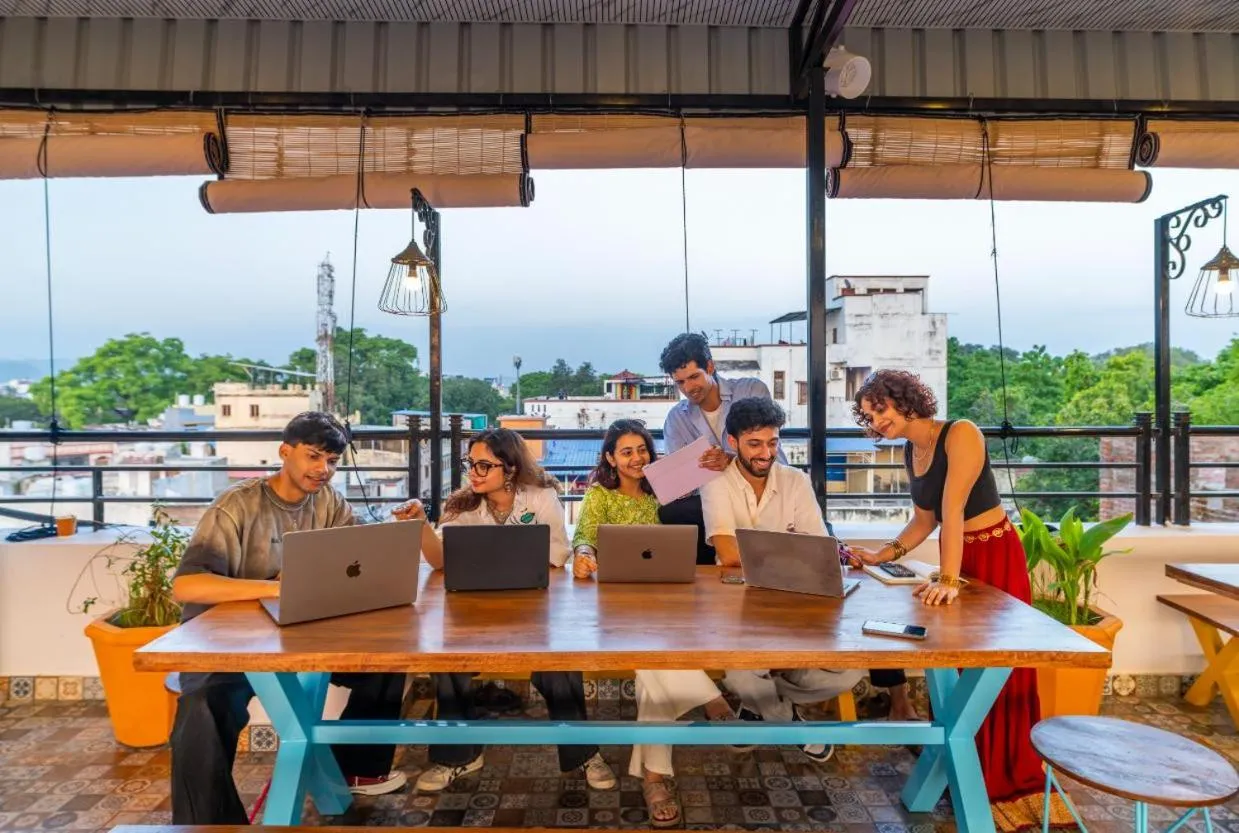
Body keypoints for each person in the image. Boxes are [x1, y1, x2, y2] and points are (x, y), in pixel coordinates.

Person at [169, 412, 407, 825]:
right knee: (203, 705)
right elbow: (187, 586)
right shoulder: (236, 505)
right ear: (284, 452)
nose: (323, 470)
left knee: (389, 660)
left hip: (301, 634)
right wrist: (277, 587)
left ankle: (355, 769)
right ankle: (209, 822)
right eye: (314, 457)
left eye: (332, 461)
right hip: (227, 644)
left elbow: (355, 561)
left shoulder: (329, 501)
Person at [849, 369, 1048, 815]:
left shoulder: (962, 433)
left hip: (994, 552)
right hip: (961, 558)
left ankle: (1004, 769)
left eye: (880, 410)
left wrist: (947, 579)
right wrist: (884, 553)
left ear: (906, 400)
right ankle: (968, 759)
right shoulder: (910, 450)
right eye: (868, 417)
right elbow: (925, 521)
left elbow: (953, 511)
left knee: (999, 659)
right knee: (963, 660)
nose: (876, 422)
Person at [396, 427, 617, 794]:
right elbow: (439, 562)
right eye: (472, 464)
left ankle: (582, 753)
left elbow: (557, 554)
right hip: (474, 610)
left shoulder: (541, 498)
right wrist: (420, 523)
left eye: (485, 465)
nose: (475, 473)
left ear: (510, 469)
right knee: (446, 661)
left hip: (533, 608)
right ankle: (459, 756)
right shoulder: (462, 505)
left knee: (561, 665)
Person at [570, 419, 734, 828]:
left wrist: (722, 456)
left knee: (650, 675)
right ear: (610, 458)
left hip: (665, 600)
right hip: (615, 604)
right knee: (652, 658)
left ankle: (655, 779)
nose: (636, 458)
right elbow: (584, 536)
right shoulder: (598, 494)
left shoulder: (663, 486)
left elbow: (722, 466)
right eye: (625, 452)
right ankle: (709, 698)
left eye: (641, 449)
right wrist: (585, 555)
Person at [700, 396, 863, 763]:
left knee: (850, 671)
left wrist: (768, 555)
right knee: (741, 676)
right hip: (737, 607)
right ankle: (788, 721)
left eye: (773, 443)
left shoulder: (796, 481)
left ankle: (762, 708)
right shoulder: (714, 483)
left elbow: (818, 547)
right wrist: (789, 551)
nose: (765, 453)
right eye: (755, 444)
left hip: (795, 603)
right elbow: (727, 554)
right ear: (732, 442)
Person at [658, 332, 783, 565]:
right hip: (715, 498)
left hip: (763, 486)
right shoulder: (676, 418)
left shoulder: (751, 391)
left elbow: (768, 452)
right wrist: (671, 480)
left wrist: (731, 461)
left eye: (694, 377)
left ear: (710, 366)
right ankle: (706, 579)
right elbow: (679, 482)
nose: (688, 388)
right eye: (680, 382)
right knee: (672, 512)